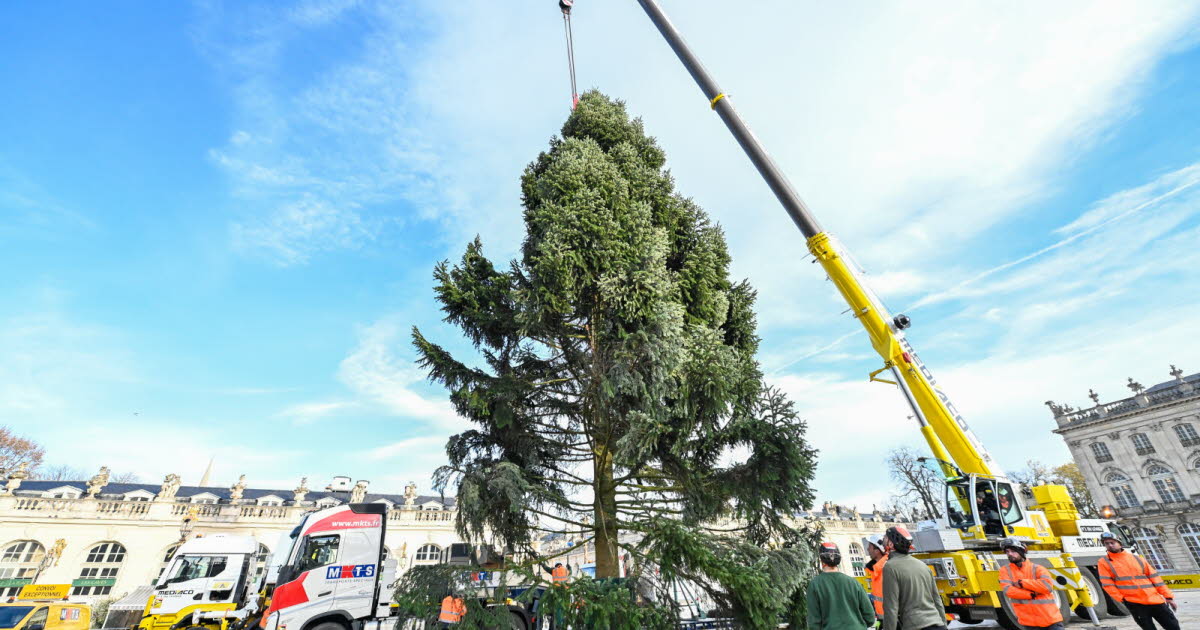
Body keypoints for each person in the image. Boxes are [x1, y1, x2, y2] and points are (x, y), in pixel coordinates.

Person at [1097, 531, 1179, 630]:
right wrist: (1122, 599)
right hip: (1135, 603)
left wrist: (1168, 597)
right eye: (1106, 543)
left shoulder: (1137, 558)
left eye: (1112, 542)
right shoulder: (1103, 562)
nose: (1110, 545)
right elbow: (1107, 584)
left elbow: (1155, 578)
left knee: (1173, 627)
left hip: (1155, 600)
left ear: (1119, 543)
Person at [882, 525, 947, 630]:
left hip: (916, 625)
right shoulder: (923, 565)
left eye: (885, 537)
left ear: (891, 543)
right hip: (938, 625)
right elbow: (937, 600)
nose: (883, 539)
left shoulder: (890, 567)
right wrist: (943, 624)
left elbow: (891, 607)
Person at [805, 542, 874, 630]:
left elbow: (814, 622)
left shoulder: (814, 585)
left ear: (821, 560)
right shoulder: (853, 582)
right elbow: (870, 617)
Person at [998, 539, 1063, 629]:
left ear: (1021, 551)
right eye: (1007, 551)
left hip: (1051, 621)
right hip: (1029, 623)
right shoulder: (1004, 571)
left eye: (1013, 551)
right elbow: (1008, 591)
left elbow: (1047, 587)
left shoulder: (1038, 568)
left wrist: (1022, 583)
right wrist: (1031, 594)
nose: (1009, 554)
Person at [863, 534, 888, 622]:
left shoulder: (887, 568)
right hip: (883, 619)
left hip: (894, 620)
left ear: (877, 550)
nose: (867, 549)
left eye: (870, 546)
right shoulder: (875, 570)